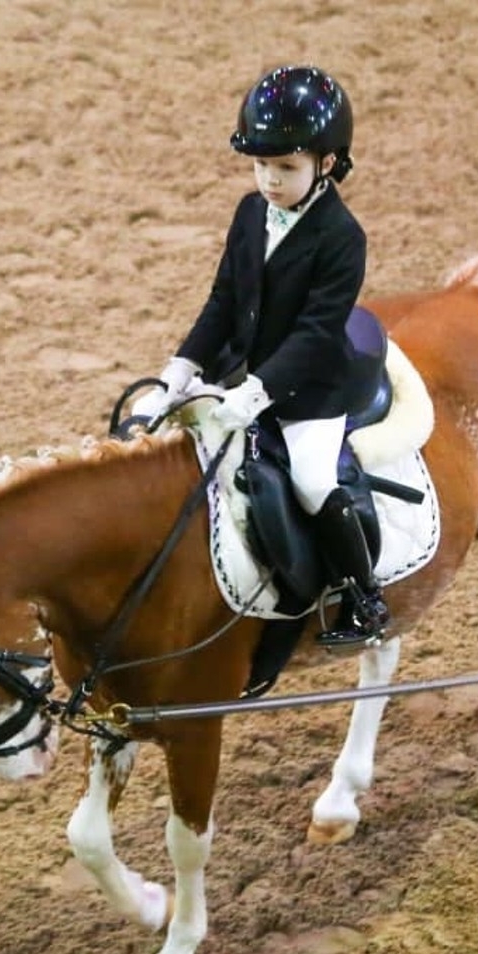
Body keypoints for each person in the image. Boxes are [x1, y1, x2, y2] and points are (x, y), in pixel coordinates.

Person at [131, 64, 389, 649]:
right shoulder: (251, 214)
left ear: (327, 163)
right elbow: (224, 301)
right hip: (241, 372)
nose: (270, 180)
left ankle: (363, 596)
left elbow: (317, 332)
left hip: (309, 391)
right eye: (261, 165)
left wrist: (257, 392)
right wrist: (178, 372)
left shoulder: (343, 238)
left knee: (312, 481)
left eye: (286, 167)